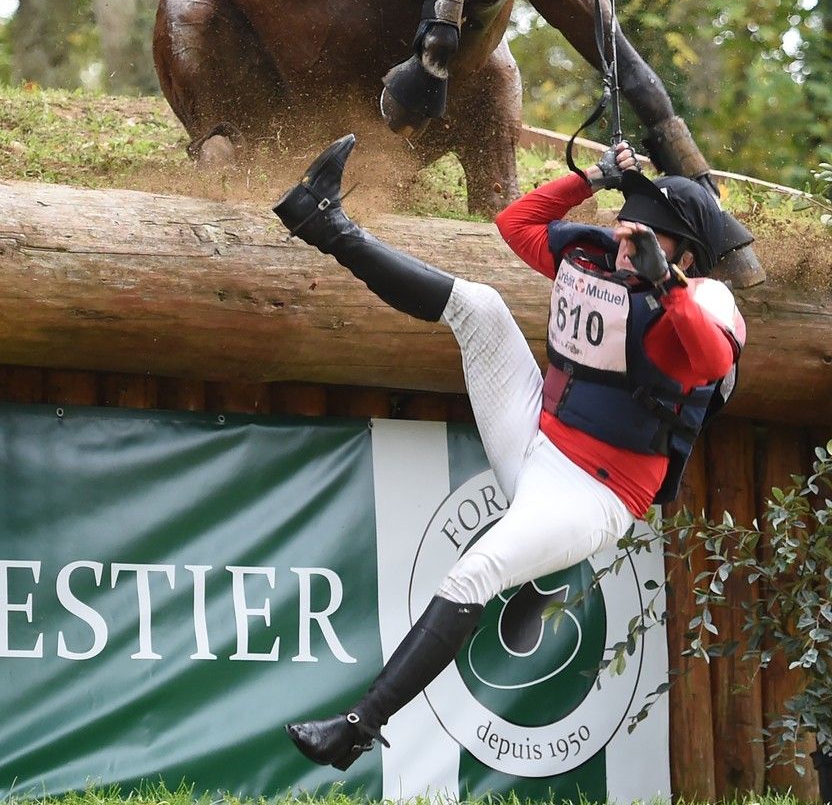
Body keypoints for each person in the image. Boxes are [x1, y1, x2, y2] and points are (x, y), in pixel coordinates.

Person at [273, 134, 745, 772]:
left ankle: (357, 728)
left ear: (686, 252)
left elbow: (713, 358)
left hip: (592, 492)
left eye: (647, 236)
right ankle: (322, 221)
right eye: (631, 227)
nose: (628, 241)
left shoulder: (707, 297)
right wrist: (596, 179)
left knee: (473, 573)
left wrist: (669, 286)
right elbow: (515, 223)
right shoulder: (603, 256)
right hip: (534, 434)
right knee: (479, 306)